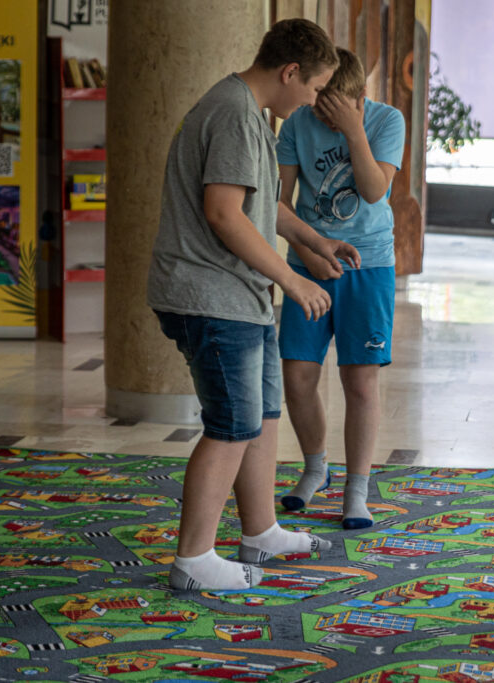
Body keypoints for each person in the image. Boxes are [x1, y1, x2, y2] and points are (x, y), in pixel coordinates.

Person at [147, 19, 361, 591]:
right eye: (316, 88)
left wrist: (316, 244)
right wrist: (290, 280)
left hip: (240, 295)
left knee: (262, 415)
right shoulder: (236, 114)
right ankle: (193, 560)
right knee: (232, 425)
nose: (316, 100)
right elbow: (224, 214)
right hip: (211, 295)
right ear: (290, 72)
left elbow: (261, 206)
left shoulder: (249, 113)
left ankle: (260, 530)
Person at [274, 48, 405, 530]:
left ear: (359, 99)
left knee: (360, 381)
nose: (323, 119)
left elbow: (374, 191)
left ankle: (357, 487)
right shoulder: (295, 125)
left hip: (369, 266)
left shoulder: (387, 122)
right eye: (319, 109)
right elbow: (276, 203)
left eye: (336, 111)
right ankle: (315, 468)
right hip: (307, 259)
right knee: (299, 376)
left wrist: (353, 131)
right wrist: (308, 253)